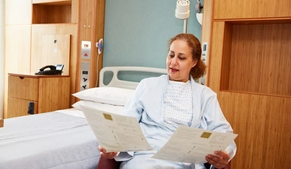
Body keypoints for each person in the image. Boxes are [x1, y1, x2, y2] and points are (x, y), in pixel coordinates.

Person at [99, 33, 236, 169]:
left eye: (181, 58)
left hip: (184, 161)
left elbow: (223, 133)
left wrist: (225, 152)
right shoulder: (147, 85)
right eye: (171, 55)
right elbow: (126, 121)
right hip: (145, 157)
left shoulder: (205, 96)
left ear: (194, 62)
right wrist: (114, 144)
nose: (173, 62)